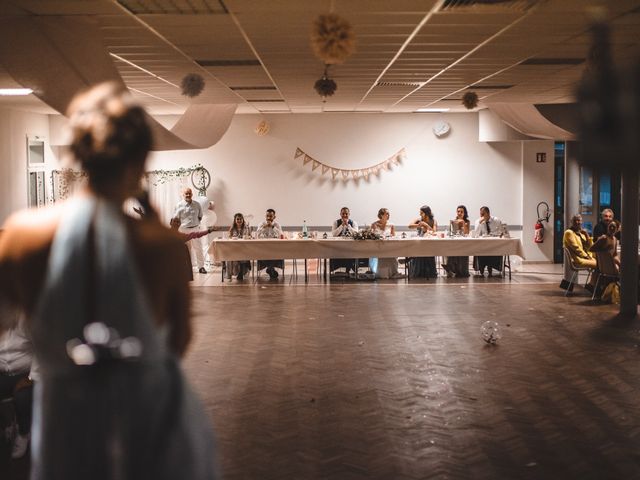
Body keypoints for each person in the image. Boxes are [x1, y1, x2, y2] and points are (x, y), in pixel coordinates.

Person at [0, 83, 217, 479]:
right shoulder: (160, 244)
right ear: (140, 161)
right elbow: (178, 341)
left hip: (63, 411)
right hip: (147, 413)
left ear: (77, 153)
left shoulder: (20, 234)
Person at [0, 307, 33, 459]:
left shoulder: (23, 319)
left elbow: (41, 348)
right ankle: (7, 424)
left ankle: (23, 433)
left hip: (26, 373)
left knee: (22, 397)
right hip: (3, 372)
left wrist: (31, 377)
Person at [169, 217, 215, 281]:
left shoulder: (181, 235)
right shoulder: (165, 233)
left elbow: (196, 235)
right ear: (170, 223)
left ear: (180, 224)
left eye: (178, 222)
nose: (176, 223)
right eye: (175, 221)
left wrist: (208, 231)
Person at [173, 187, 207, 274]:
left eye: (189, 193)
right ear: (182, 195)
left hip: (195, 229)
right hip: (183, 230)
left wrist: (195, 224)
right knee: (185, 250)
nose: (188, 195)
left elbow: (200, 216)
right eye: (186, 193)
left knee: (198, 248)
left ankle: (201, 267)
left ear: (192, 194)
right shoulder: (178, 205)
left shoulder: (197, 204)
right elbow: (175, 219)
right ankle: (186, 268)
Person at [562, 213, 598, 290]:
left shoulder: (580, 233)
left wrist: (587, 235)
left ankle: (593, 285)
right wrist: (586, 256)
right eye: (576, 220)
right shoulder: (569, 233)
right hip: (577, 259)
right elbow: (576, 248)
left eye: (580, 220)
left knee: (602, 264)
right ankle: (592, 286)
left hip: (586, 257)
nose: (578, 222)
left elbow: (590, 247)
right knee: (600, 265)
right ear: (572, 222)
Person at [371, 208, 404, 279]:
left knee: (391, 253)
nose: (389, 215)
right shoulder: (374, 224)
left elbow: (393, 236)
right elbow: (371, 236)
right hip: (378, 247)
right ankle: (379, 273)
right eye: (387, 214)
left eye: (389, 214)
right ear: (381, 215)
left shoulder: (391, 225)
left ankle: (392, 272)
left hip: (389, 246)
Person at [407, 205, 437, 278]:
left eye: (421, 213)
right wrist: (419, 225)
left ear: (427, 213)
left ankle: (429, 272)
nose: (420, 214)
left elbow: (434, 231)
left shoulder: (433, 221)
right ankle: (417, 272)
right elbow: (409, 226)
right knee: (418, 251)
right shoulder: (419, 220)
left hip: (429, 242)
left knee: (428, 252)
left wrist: (426, 225)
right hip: (419, 241)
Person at [472, 206, 503, 277]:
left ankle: (491, 267)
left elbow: (501, 232)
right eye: (480, 214)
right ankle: (481, 267)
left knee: (493, 249)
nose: (481, 216)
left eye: (483, 214)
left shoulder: (496, 220)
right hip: (483, 245)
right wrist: (480, 224)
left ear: (488, 213)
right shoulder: (478, 221)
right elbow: (476, 234)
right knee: (482, 250)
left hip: (494, 244)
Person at [329, 207, 359, 275]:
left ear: (349, 214)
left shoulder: (353, 223)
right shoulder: (336, 222)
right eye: (343, 214)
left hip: (350, 247)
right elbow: (334, 234)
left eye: (346, 214)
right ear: (340, 214)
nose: (345, 215)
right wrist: (342, 225)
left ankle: (349, 270)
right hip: (338, 247)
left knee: (350, 254)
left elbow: (356, 234)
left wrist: (348, 226)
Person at [256, 208, 284, 280]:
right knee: (262, 253)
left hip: (275, 247)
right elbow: (257, 235)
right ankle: (271, 269)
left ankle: (270, 269)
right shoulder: (261, 224)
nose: (268, 218)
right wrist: (264, 227)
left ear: (274, 217)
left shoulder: (277, 225)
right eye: (267, 216)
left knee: (278, 253)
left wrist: (273, 227)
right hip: (263, 247)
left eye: (271, 216)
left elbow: (281, 235)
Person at [443, 205, 470, 277]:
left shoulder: (467, 221)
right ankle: (451, 267)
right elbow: (450, 232)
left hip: (464, 243)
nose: (459, 213)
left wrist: (463, 223)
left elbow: (466, 233)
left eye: (461, 212)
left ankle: (458, 270)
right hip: (454, 241)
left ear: (464, 213)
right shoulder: (453, 221)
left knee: (462, 249)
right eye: (458, 211)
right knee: (452, 249)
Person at [226, 213, 252, 280]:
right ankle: (229, 275)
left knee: (243, 254)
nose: (239, 220)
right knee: (227, 257)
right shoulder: (232, 229)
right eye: (237, 219)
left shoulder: (247, 228)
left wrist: (248, 237)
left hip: (244, 248)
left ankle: (241, 272)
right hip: (234, 248)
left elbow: (250, 237)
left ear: (243, 220)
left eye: (241, 219)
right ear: (235, 220)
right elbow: (229, 238)